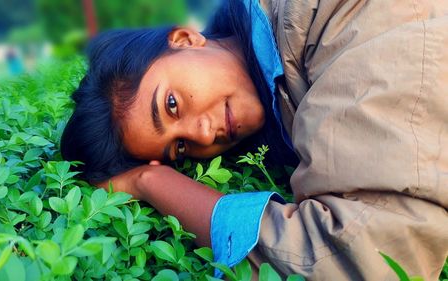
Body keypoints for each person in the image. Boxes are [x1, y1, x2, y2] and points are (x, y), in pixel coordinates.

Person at [60, 0, 448, 280]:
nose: (202, 135)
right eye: (179, 149)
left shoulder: (337, 16)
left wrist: (151, 181)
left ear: (184, 39)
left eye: (172, 104)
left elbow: (362, 259)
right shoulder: (282, 84)